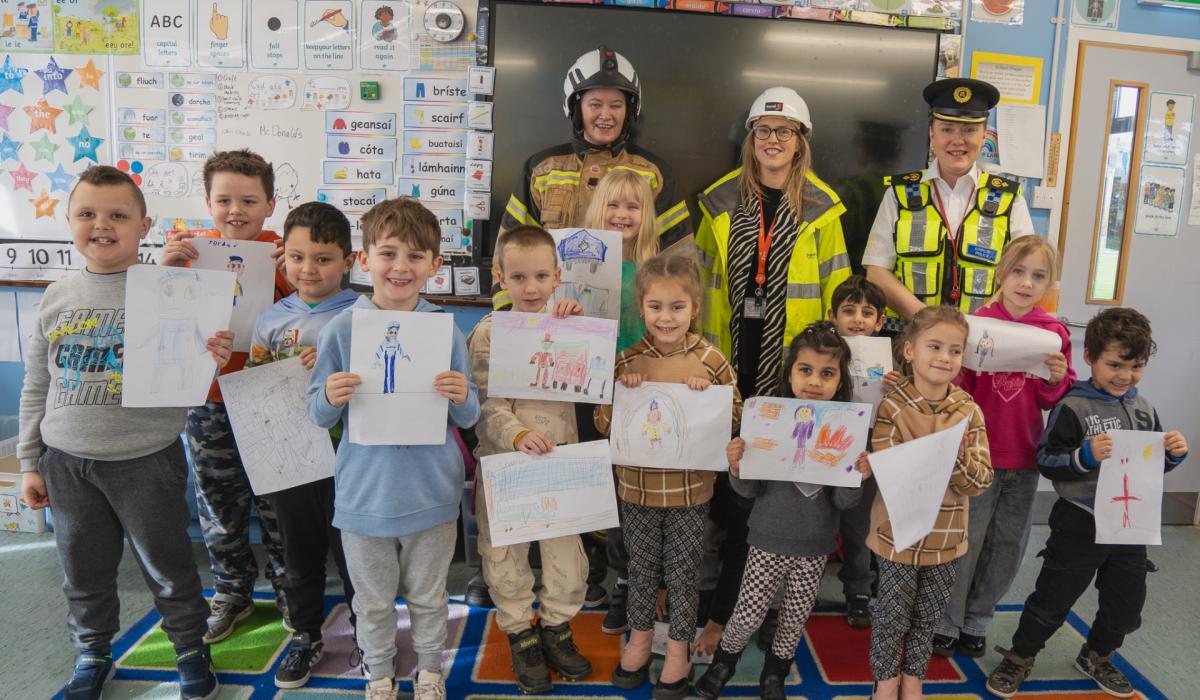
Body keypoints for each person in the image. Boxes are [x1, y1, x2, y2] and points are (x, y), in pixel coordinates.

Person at [18, 166, 233, 700]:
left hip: (146, 460)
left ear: (144, 226)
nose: (102, 225)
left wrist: (208, 363)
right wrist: (29, 460)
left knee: (168, 568)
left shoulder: (167, 293)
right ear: (69, 221)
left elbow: (180, 386)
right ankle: (92, 654)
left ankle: (189, 648)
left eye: (118, 215)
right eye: (87, 213)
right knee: (83, 571)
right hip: (67, 463)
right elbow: (36, 383)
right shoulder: (56, 296)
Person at [693, 85, 851, 657]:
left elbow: (839, 291)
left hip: (793, 370)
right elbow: (698, 283)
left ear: (801, 141)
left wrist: (837, 368)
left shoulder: (824, 207)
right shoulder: (716, 200)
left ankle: (739, 609)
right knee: (718, 489)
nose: (773, 141)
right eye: (763, 130)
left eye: (785, 132)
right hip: (725, 357)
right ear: (750, 138)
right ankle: (713, 600)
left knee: (760, 495)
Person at [307, 198, 479, 700]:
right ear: (364, 259)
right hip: (364, 496)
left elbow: (469, 418)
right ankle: (378, 674)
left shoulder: (446, 331)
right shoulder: (341, 330)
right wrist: (331, 395)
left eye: (415, 256)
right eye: (387, 253)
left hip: (431, 491)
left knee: (429, 598)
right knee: (373, 600)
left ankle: (430, 672)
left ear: (435, 265)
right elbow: (317, 414)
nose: (400, 267)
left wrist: (462, 395)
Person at [985, 308, 1188, 699]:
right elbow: (1046, 461)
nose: (1124, 375)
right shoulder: (1072, 407)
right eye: (1114, 364)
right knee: (1053, 598)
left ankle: (1097, 655)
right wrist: (1086, 456)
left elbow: (1149, 469)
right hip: (1080, 522)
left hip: (1130, 525)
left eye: (1136, 366)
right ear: (1090, 358)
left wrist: (1173, 454)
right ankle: (1020, 656)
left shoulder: (1144, 409)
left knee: (1126, 604)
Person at [595, 255, 743, 700]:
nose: (666, 317)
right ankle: (640, 641)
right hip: (637, 490)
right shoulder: (627, 361)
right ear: (641, 308)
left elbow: (736, 415)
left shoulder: (712, 360)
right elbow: (603, 421)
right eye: (656, 306)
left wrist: (710, 398)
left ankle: (677, 651)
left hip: (690, 493)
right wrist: (625, 394)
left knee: (683, 575)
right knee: (640, 571)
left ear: (694, 307)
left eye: (677, 307)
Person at [161, 149, 293, 643]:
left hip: (270, 395)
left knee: (277, 499)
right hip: (208, 395)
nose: (235, 210)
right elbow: (164, 318)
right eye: (224, 199)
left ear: (271, 203)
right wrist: (165, 272)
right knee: (218, 500)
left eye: (249, 200)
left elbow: (311, 309)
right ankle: (232, 590)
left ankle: (288, 589)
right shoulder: (189, 250)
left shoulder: (286, 252)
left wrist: (292, 270)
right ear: (208, 202)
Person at [696, 322, 866, 700]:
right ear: (789, 374)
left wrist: (856, 476)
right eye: (805, 370)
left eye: (827, 373)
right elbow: (749, 490)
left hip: (815, 547)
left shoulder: (846, 432)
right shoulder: (768, 422)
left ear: (840, 381)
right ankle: (723, 665)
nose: (814, 382)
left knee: (792, 619)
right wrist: (738, 468)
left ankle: (774, 675)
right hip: (766, 542)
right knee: (747, 613)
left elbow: (842, 503)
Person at [931, 236, 1074, 660]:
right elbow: (960, 389)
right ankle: (948, 620)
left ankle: (978, 619)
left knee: (1009, 543)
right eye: (1018, 271)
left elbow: (1054, 400)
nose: (1026, 283)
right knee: (967, 540)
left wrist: (1056, 378)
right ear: (1000, 273)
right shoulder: (977, 325)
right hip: (978, 456)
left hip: (1025, 458)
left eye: (1038, 276)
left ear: (1049, 282)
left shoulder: (1053, 333)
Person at [468, 226, 593, 694]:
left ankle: (557, 627)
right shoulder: (487, 333)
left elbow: (594, 378)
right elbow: (482, 402)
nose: (531, 287)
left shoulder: (567, 325)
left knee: (568, 559)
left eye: (541, 275)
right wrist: (515, 433)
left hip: (561, 464)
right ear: (500, 276)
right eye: (518, 276)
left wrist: (578, 329)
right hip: (506, 466)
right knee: (504, 558)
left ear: (558, 276)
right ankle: (521, 633)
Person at [244, 201, 360, 689]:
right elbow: (253, 381)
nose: (308, 269)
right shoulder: (270, 319)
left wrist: (331, 365)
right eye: (296, 257)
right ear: (281, 258)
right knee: (299, 552)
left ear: (349, 262)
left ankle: (367, 631)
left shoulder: (363, 314)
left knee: (354, 550)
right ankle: (306, 635)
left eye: (323, 258)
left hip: (350, 456)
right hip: (292, 456)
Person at [856, 305, 993, 700]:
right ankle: (885, 679)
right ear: (910, 351)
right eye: (934, 346)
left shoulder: (970, 411)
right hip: (896, 532)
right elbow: (890, 470)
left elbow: (979, 481)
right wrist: (937, 453)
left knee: (927, 615)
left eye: (954, 350)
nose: (944, 357)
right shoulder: (892, 407)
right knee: (891, 614)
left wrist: (955, 461)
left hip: (947, 537)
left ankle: (913, 676)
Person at [493, 45, 691, 311]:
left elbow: (680, 260)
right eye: (595, 104)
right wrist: (512, 321)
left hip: (632, 323)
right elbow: (507, 253)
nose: (606, 115)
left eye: (616, 105)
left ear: (629, 111)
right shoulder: (543, 170)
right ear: (576, 108)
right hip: (549, 323)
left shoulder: (654, 173)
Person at [863, 78, 1035, 330]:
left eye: (969, 130)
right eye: (947, 129)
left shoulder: (1010, 199)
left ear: (984, 135)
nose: (958, 140)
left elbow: (1025, 274)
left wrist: (980, 324)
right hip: (910, 340)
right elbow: (876, 271)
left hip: (984, 341)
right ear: (932, 134)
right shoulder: (898, 194)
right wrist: (926, 321)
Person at [580, 168, 661, 633]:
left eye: (633, 206)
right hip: (588, 390)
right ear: (598, 211)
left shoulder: (655, 268)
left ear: (646, 214)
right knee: (597, 488)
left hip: (637, 393)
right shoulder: (577, 266)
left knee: (630, 496)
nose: (622, 214)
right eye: (613, 205)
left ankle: (629, 582)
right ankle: (593, 573)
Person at [825, 275, 900, 629]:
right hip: (826, 442)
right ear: (832, 316)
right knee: (818, 516)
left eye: (867, 313)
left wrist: (896, 390)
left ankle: (858, 590)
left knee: (859, 524)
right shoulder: (820, 352)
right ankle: (801, 585)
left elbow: (904, 412)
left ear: (880, 321)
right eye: (848, 311)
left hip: (867, 448)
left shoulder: (890, 363)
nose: (857, 319)